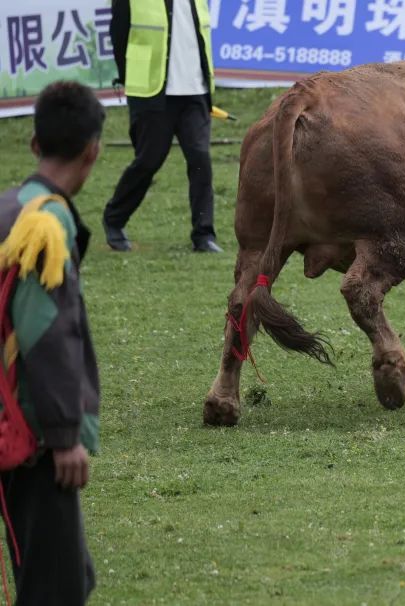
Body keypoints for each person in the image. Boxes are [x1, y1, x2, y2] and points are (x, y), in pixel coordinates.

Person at [0, 81, 103, 604]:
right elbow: (45, 329)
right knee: (56, 589)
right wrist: (65, 436)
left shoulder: (7, 207)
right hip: (33, 436)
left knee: (66, 574)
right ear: (93, 150)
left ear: (34, 144)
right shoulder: (47, 223)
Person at [104, 0, 221, 253]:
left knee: (200, 159)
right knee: (149, 160)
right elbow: (119, 34)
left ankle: (204, 234)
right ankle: (113, 220)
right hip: (152, 92)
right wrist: (129, 78)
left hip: (195, 92)